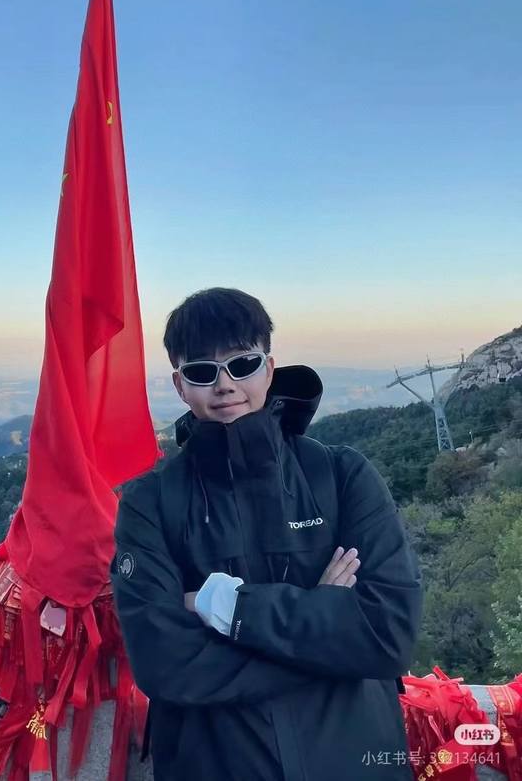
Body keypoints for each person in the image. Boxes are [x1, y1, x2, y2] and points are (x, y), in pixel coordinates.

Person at [111, 287, 423, 781]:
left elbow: (388, 635)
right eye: (202, 371)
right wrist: (326, 632)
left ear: (269, 369)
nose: (225, 385)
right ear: (180, 385)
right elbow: (164, 663)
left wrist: (225, 607)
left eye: (243, 364)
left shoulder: (343, 478)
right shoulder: (148, 503)